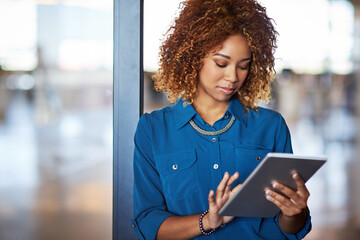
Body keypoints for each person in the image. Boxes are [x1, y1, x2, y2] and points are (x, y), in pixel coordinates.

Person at [132, 0, 312, 239]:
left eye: (243, 66)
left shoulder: (271, 127)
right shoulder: (153, 130)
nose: (232, 77)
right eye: (221, 63)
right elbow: (148, 223)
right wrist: (207, 221)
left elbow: (285, 228)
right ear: (193, 57)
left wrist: (294, 213)